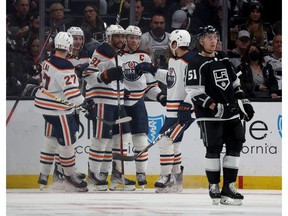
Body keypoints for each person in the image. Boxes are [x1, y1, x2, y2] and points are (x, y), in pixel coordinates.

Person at [184, 25, 254, 205]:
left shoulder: (223, 57)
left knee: (236, 145)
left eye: (215, 36)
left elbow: (234, 82)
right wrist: (214, 106)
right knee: (213, 149)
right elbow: (193, 91)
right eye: (208, 37)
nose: (213, 40)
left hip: (231, 112)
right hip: (209, 115)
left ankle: (228, 186)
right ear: (200, 41)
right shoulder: (195, 62)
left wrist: (243, 101)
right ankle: (214, 185)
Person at [135, 29, 196, 193]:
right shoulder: (175, 61)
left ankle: (166, 176)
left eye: (172, 42)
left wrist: (188, 105)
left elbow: (196, 86)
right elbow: (172, 80)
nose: (170, 45)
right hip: (172, 110)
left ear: (175, 43)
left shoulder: (191, 61)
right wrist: (153, 70)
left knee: (165, 140)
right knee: (174, 144)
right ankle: (176, 180)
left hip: (183, 111)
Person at [83, 24, 136, 191]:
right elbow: (87, 75)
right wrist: (104, 76)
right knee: (101, 139)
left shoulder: (118, 53)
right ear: (109, 37)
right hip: (102, 101)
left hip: (116, 101)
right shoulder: (101, 51)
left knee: (121, 138)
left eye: (122, 36)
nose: (121, 40)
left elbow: (115, 78)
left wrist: (123, 91)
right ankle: (93, 175)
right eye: (117, 36)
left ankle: (112, 175)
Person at [34, 31, 89, 192]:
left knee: (51, 140)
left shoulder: (48, 60)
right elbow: (72, 94)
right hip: (59, 110)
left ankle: (44, 175)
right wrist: (86, 104)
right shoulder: (65, 65)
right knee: (68, 143)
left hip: (45, 106)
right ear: (69, 46)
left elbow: (55, 82)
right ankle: (69, 176)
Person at [122, 25, 166, 189]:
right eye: (131, 37)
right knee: (122, 140)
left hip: (138, 102)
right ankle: (121, 174)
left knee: (140, 138)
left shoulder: (144, 57)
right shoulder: (117, 56)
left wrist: (160, 96)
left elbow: (150, 86)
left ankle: (141, 173)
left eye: (137, 38)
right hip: (120, 104)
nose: (134, 41)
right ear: (125, 38)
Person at [51, 26, 90, 184]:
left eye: (80, 38)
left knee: (71, 137)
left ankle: (67, 170)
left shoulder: (85, 56)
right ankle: (60, 171)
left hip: (75, 102)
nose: (78, 41)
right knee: (62, 138)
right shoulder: (62, 58)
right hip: (61, 104)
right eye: (74, 38)